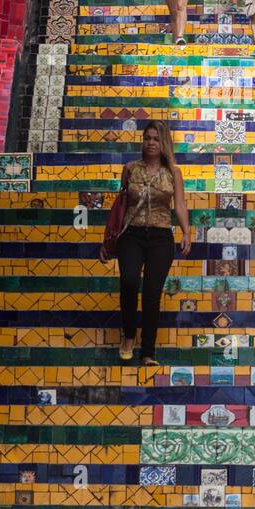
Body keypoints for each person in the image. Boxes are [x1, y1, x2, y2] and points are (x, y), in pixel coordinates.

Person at [99, 120, 191, 365]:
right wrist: (108, 239)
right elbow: (120, 206)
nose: (151, 143)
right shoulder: (130, 168)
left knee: (152, 293)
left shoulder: (173, 172)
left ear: (164, 143)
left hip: (161, 237)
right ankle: (129, 335)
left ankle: (148, 351)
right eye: (147, 138)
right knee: (129, 281)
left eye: (156, 139)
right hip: (132, 234)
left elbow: (179, 204)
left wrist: (186, 232)